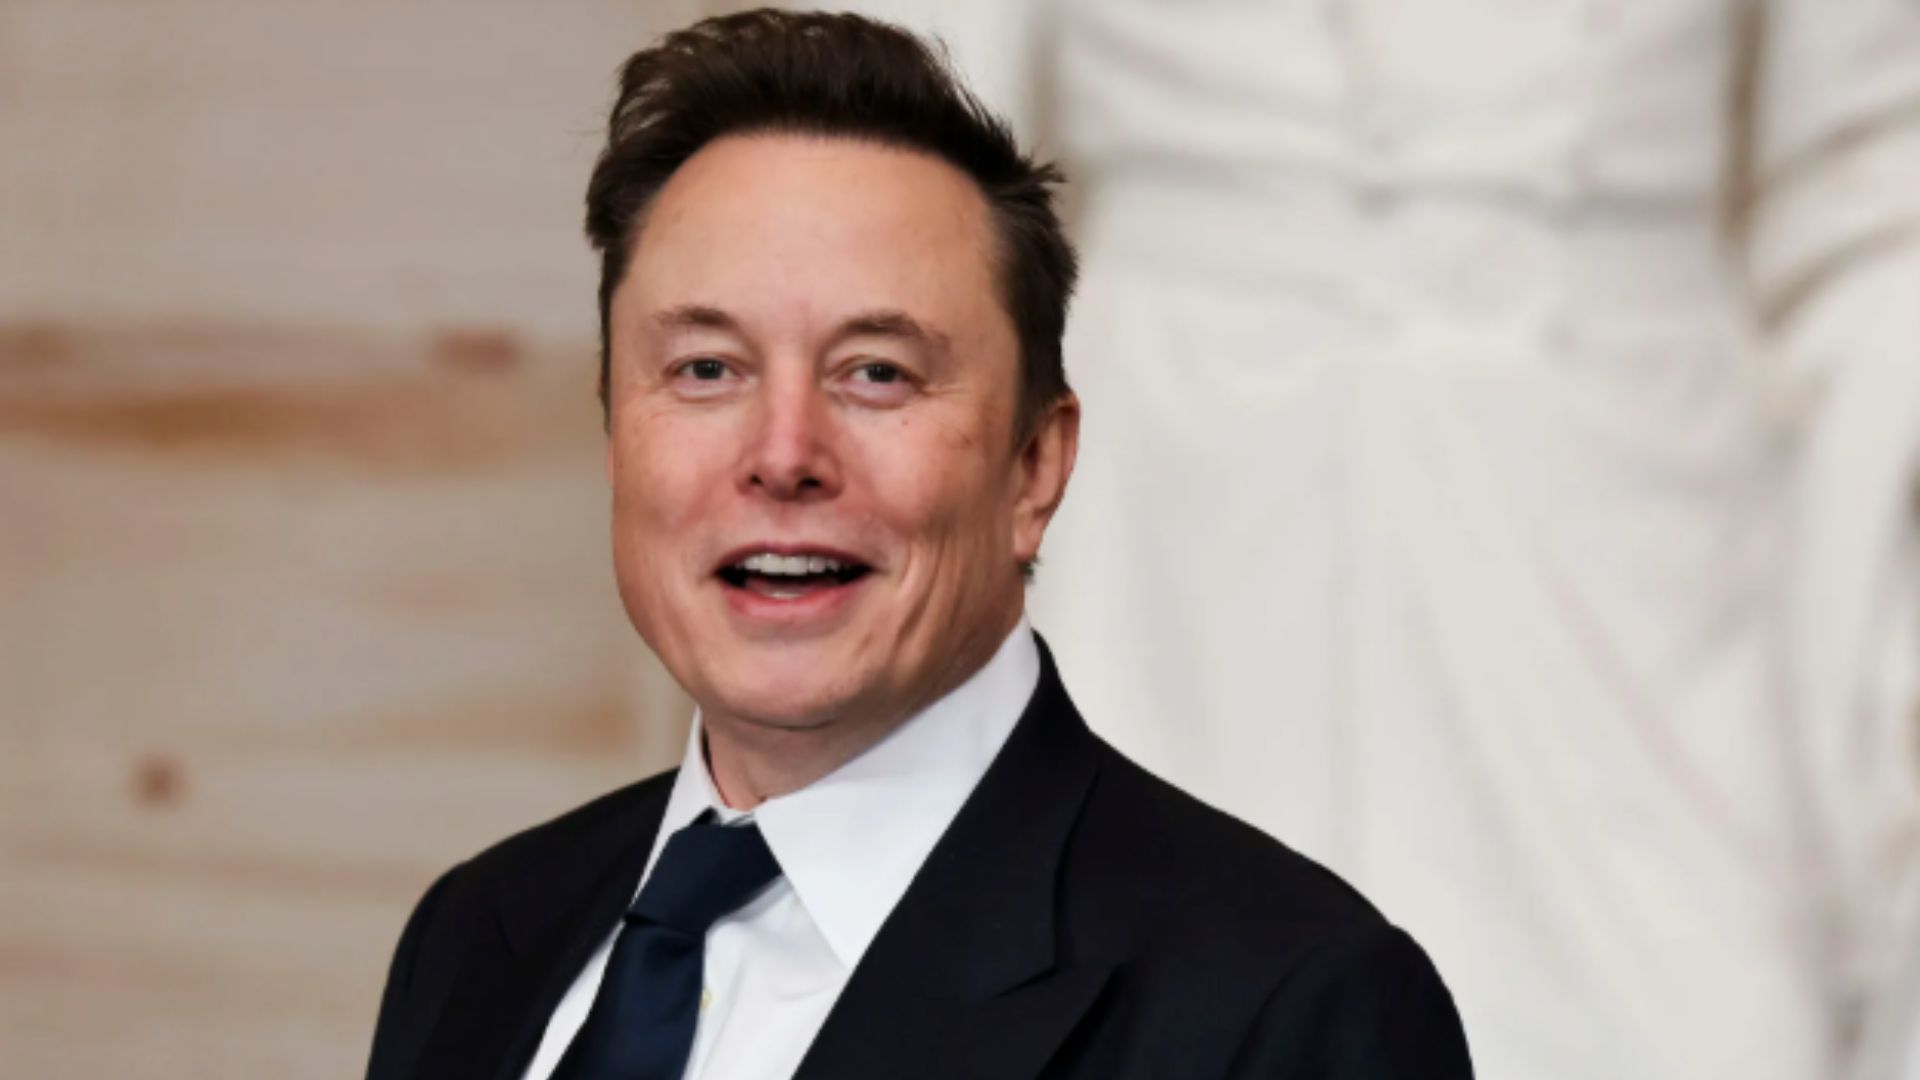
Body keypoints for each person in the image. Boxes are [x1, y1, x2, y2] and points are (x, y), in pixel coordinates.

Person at [362, 10, 1472, 1080]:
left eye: (876, 373)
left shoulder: (1288, 1008)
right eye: (706, 368)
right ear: (615, 433)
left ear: (1034, 467)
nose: (783, 454)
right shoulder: (477, 934)